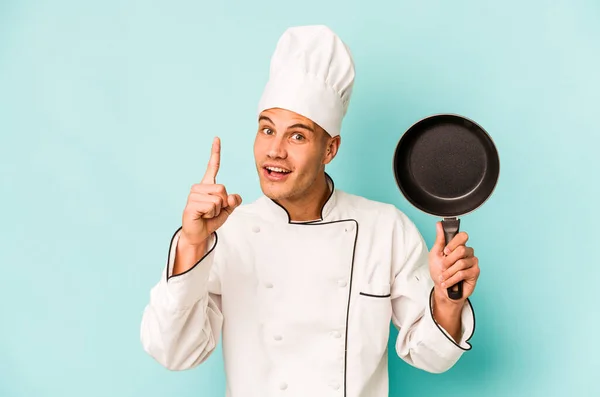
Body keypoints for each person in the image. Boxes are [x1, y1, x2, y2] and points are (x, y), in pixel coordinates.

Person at [140, 25, 479, 397]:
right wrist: (191, 243)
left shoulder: (385, 229)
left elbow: (431, 357)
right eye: (267, 130)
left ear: (330, 149)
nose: (275, 151)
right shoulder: (227, 234)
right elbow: (173, 352)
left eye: (297, 136)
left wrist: (448, 301)